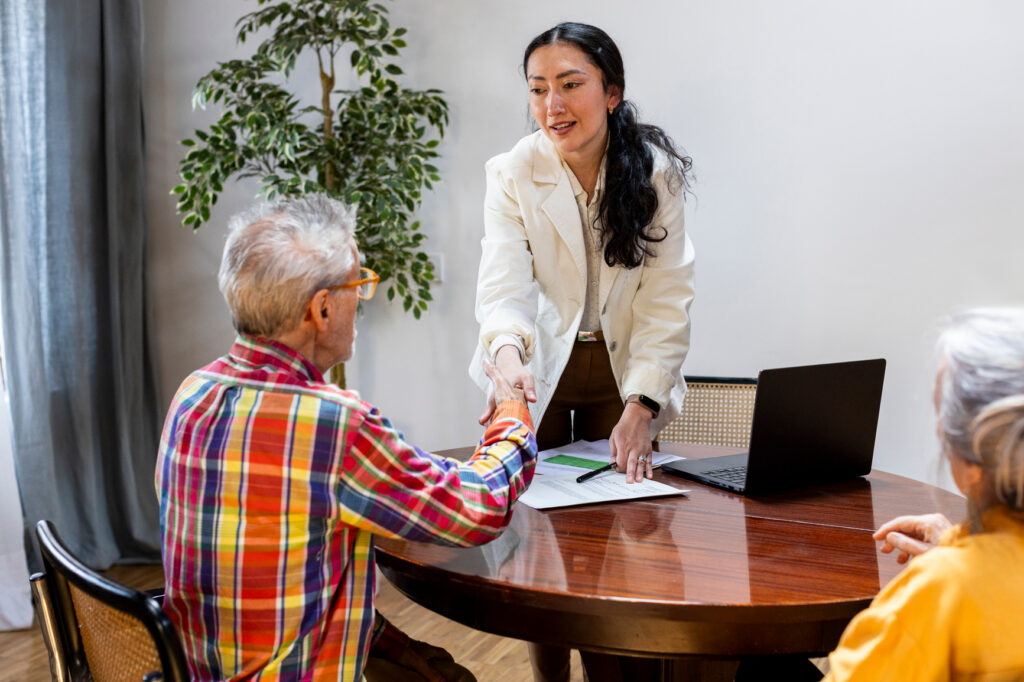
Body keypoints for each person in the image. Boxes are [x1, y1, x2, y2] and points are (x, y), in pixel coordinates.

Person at [155, 194, 537, 681]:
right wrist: (513, 417)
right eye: (358, 283)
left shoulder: (193, 393)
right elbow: (475, 510)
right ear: (321, 309)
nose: (361, 297)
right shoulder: (329, 423)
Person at [468, 21, 695, 682]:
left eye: (570, 85)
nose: (551, 106)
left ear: (612, 92)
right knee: (537, 538)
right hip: (537, 369)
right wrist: (506, 353)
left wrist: (643, 402)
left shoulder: (654, 173)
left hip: (622, 371)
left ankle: (618, 661)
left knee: (626, 535)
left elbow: (666, 296)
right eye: (538, 89)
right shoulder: (513, 170)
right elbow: (503, 283)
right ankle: (550, 673)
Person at [819, 308, 1024, 681]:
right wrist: (960, 546)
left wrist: (954, 566)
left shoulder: (941, 593)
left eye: (942, 415)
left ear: (973, 460)